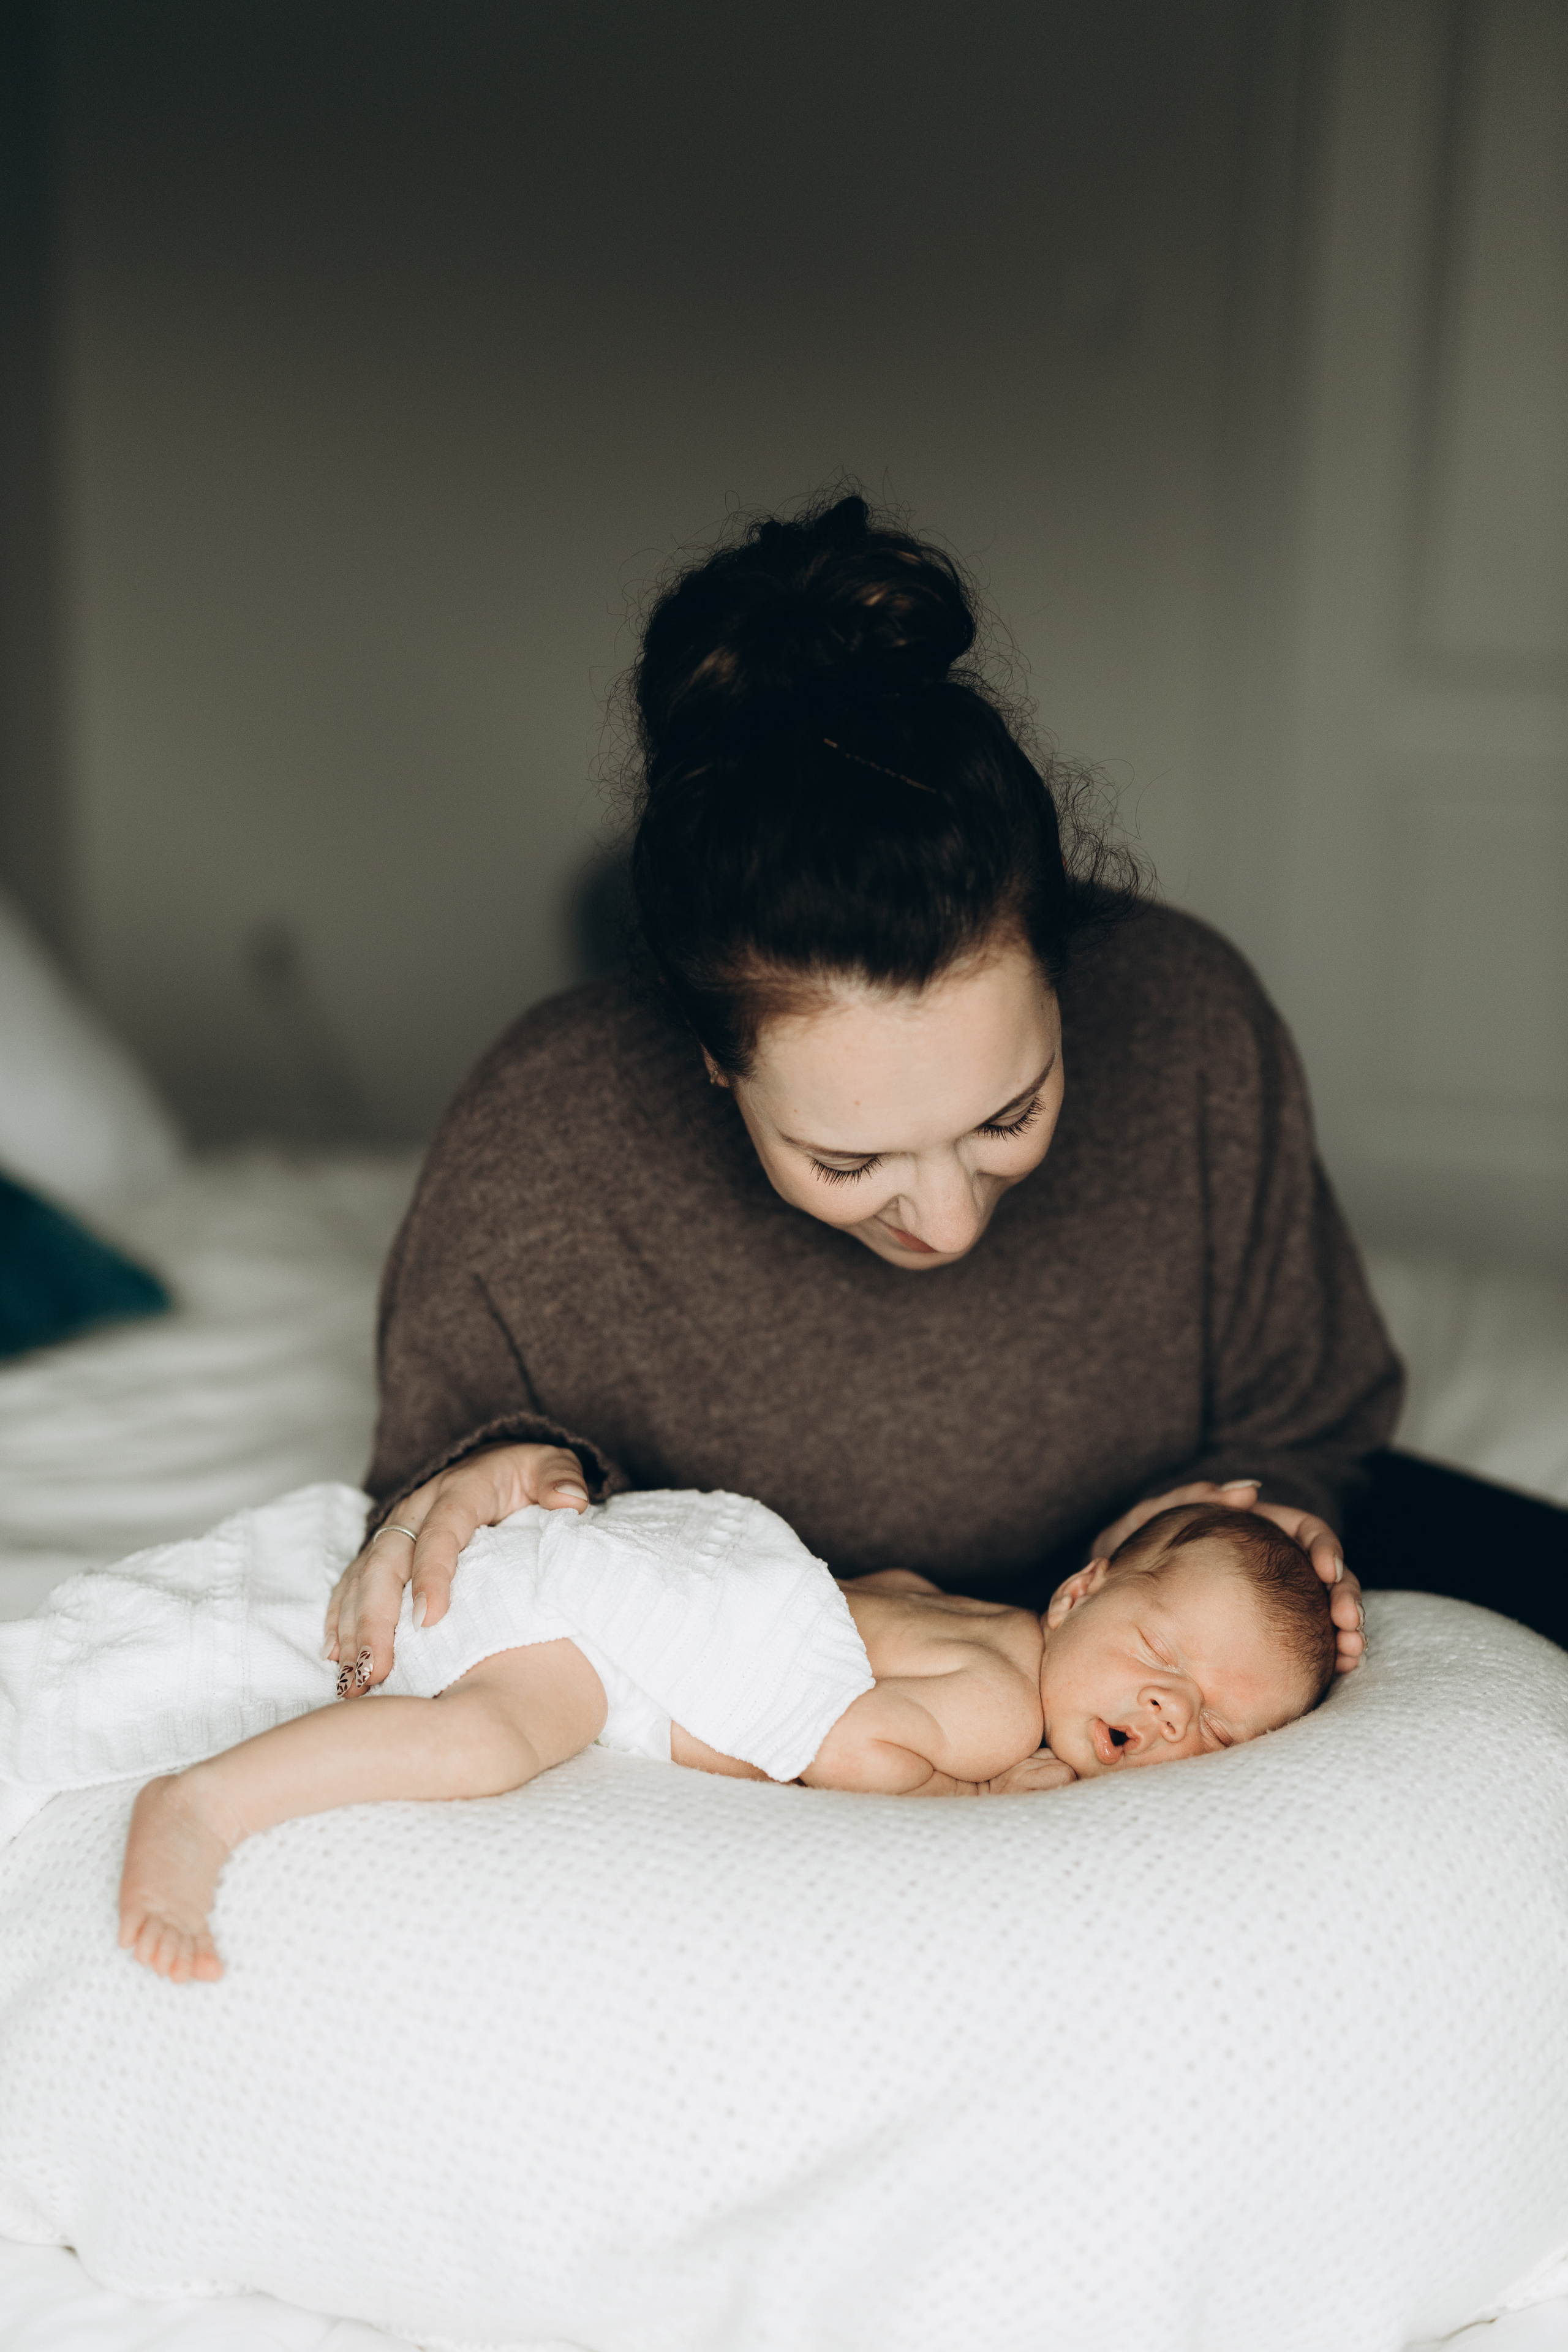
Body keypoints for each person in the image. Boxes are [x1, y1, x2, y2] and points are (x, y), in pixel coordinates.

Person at [325, 491, 1396, 1695]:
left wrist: (1248, 1526)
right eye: (847, 1163)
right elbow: (418, 1526)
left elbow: (1310, 1415)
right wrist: (489, 1490)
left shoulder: (1192, 1026)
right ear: (713, 1057)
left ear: (1061, 969)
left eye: (1009, 1115)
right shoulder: (539, 1149)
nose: (946, 1222)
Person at [119, 1499, 1332, 1981]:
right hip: (607, 1642)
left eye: (1214, 1730)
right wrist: (973, 1804)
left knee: (487, 1731)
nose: (1169, 1712)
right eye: (1160, 1661)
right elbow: (846, 1752)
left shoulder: (972, 1611)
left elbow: (850, 1598)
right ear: (1078, 1595)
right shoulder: (1001, 1705)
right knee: (480, 1747)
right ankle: (204, 1806)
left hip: (615, 1566)